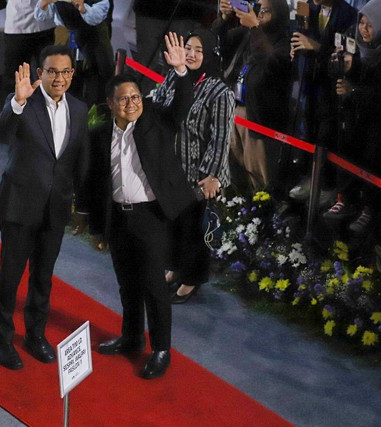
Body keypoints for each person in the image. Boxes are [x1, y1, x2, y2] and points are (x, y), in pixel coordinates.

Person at [84, 33, 195, 379]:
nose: (131, 103)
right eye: (123, 98)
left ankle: (161, 348)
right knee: (126, 283)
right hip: (118, 218)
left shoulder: (156, 122)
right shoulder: (100, 134)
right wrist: (98, 227)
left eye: (135, 96)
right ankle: (132, 338)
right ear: (110, 103)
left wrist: (179, 72)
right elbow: (95, 182)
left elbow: (181, 106)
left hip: (151, 217)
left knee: (153, 285)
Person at [0, 44, 89, 370]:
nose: (58, 78)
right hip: (19, 205)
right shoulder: (23, 101)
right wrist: (16, 102)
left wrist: (80, 204)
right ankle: (1, 341)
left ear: (72, 74)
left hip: (55, 208)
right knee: (11, 277)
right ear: (40, 73)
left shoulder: (79, 109)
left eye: (65, 72)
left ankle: (35, 335)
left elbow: (76, 161)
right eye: (52, 72)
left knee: (43, 278)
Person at [152, 30, 236, 304]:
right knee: (172, 225)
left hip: (199, 174)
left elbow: (221, 137)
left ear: (210, 54)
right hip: (170, 168)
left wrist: (212, 175)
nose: (191, 54)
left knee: (192, 230)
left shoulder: (220, 92)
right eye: (188, 47)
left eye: (199, 50)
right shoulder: (174, 77)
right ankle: (174, 267)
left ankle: (191, 279)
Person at [323, 0, 381, 236]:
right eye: (361, 22)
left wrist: (353, 91)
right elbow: (347, 79)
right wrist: (345, 69)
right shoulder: (362, 47)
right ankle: (348, 199)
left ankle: (370, 208)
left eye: (370, 25)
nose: (363, 29)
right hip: (359, 116)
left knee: (373, 157)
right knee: (347, 147)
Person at [212, 0, 292, 195]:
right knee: (233, 172)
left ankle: (261, 219)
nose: (260, 14)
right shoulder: (248, 35)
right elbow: (218, 42)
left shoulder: (284, 42)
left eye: (265, 11)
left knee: (260, 180)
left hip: (260, 118)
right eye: (259, 9)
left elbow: (273, 62)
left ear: (278, 14)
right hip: (235, 110)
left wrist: (255, 28)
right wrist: (223, 19)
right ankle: (234, 212)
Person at [287, 0, 357, 205]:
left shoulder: (347, 14)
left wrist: (317, 47)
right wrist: (296, 50)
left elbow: (348, 55)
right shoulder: (309, 7)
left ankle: (327, 184)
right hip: (310, 84)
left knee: (327, 134)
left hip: (333, 87)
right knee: (309, 129)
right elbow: (300, 35)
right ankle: (310, 177)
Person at [35, 0, 114, 106]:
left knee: (99, 75)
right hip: (65, 32)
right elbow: (42, 16)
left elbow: (100, 12)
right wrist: (44, 4)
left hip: (94, 34)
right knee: (62, 74)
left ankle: (98, 110)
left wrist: (83, 8)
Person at [0, 0, 56, 107]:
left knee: (48, 76)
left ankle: (50, 117)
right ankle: (12, 117)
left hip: (44, 24)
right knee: (15, 78)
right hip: (17, 25)